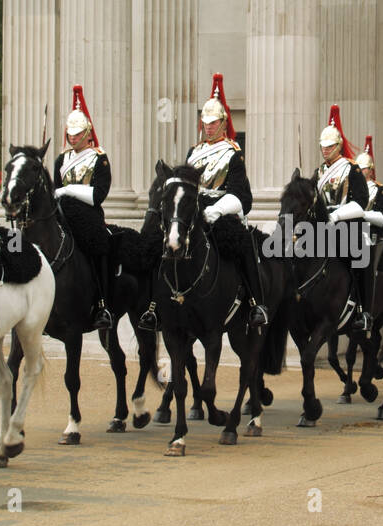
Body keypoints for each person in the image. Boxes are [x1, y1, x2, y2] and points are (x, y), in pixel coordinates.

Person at [139, 73, 268, 332]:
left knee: (243, 246)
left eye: (213, 123)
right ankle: (153, 307)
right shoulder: (193, 152)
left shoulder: (233, 154)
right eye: (205, 122)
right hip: (193, 212)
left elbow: (243, 196)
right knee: (161, 245)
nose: (208, 127)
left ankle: (256, 303)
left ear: (223, 122)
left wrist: (216, 210)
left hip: (221, 213)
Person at [54, 84, 113, 331]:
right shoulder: (61, 159)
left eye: (78, 133)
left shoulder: (99, 158)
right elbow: (54, 190)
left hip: (88, 218)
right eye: (71, 133)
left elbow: (98, 195)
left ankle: (102, 303)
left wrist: (67, 190)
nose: (73, 137)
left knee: (98, 249)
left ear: (88, 133)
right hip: (62, 215)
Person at [314, 105, 371, 333]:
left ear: (338, 146)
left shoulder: (352, 169)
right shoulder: (318, 172)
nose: (325, 150)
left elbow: (361, 202)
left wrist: (335, 215)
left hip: (348, 226)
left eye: (330, 146)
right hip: (321, 228)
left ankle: (364, 311)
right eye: (323, 146)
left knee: (361, 260)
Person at [355, 135, 383, 323]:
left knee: (369, 270)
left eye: (365, 169)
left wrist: (362, 214)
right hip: (353, 234)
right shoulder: (351, 189)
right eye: (359, 168)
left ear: (371, 170)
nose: (362, 172)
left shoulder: (379, 190)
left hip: (373, 236)